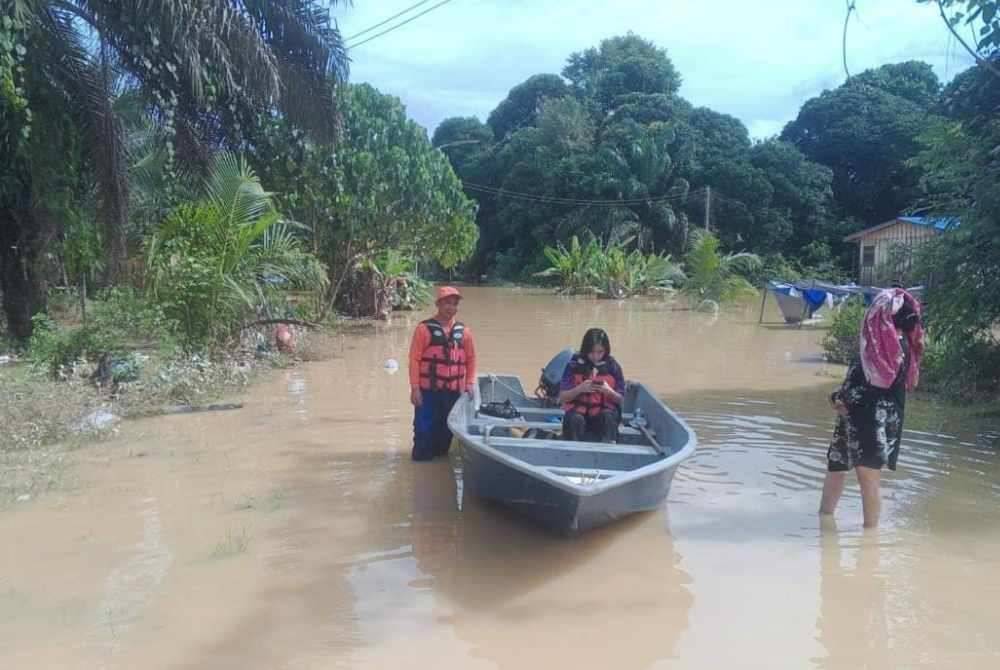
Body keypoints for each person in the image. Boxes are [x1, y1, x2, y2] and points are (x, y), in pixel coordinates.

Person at [820, 287, 924, 528]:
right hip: (859, 416)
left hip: (869, 418)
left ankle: (870, 539)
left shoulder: (887, 346)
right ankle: (825, 521)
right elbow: (862, 379)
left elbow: (873, 387)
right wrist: (840, 396)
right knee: (838, 466)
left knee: (867, 478)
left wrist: (840, 397)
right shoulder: (889, 344)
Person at [408, 286, 477, 462]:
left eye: (454, 304)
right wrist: (415, 388)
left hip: (453, 392)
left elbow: (471, 359)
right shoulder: (423, 329)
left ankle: (438, 468)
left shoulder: (465, 332)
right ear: (438, 304)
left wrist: (469, 383)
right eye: (447, 303)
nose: (451, 307)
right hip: (428, 391)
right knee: (424, 429)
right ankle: (421, 467)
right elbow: (414, 360)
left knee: (446, 433)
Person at [559, 328, 625, 443]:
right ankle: (572, 452)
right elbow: (563, 397)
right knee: (574, 419)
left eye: (600, 352)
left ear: (606, 350)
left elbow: (621, 400)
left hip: (600, 417)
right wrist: (579, 389)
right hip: (579, 416)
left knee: (608, 416)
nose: (595, 356)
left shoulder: (613, 367)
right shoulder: (573, 365)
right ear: (585, 350)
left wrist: (609, 391)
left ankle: (609, 448)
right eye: (591, 352)